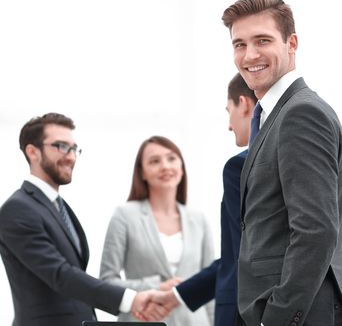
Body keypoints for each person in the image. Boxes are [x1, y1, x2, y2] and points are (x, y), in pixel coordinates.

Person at [221, 0, 342, 326]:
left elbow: (316, 229)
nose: (250, 55)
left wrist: (278, 316)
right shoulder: (272, 116)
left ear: (292, 43)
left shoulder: (301, 113)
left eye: (263, 40)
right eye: (239, 44)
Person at [0, 113, 167, 326]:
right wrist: (130, 299)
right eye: (61, 146)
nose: (71, 156)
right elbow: (60, 274)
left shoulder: (58, 207)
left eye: (73, 148)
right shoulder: (18, 209)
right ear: (32, 151)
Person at [146, 73, 257, 326]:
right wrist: (178, 295)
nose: (229, 124)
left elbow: (242, 257)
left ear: (244, 104)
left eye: (228, 110)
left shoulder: (239, 168)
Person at [99, 135, 215, 326]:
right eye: (154, 161)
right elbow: (107, 282)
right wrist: (157, 286)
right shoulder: (125, 215)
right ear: (142, 172)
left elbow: (212, 285)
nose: (165, 166)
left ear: (182, 167)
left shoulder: (199, 219)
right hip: (143, 320)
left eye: (171, 158)